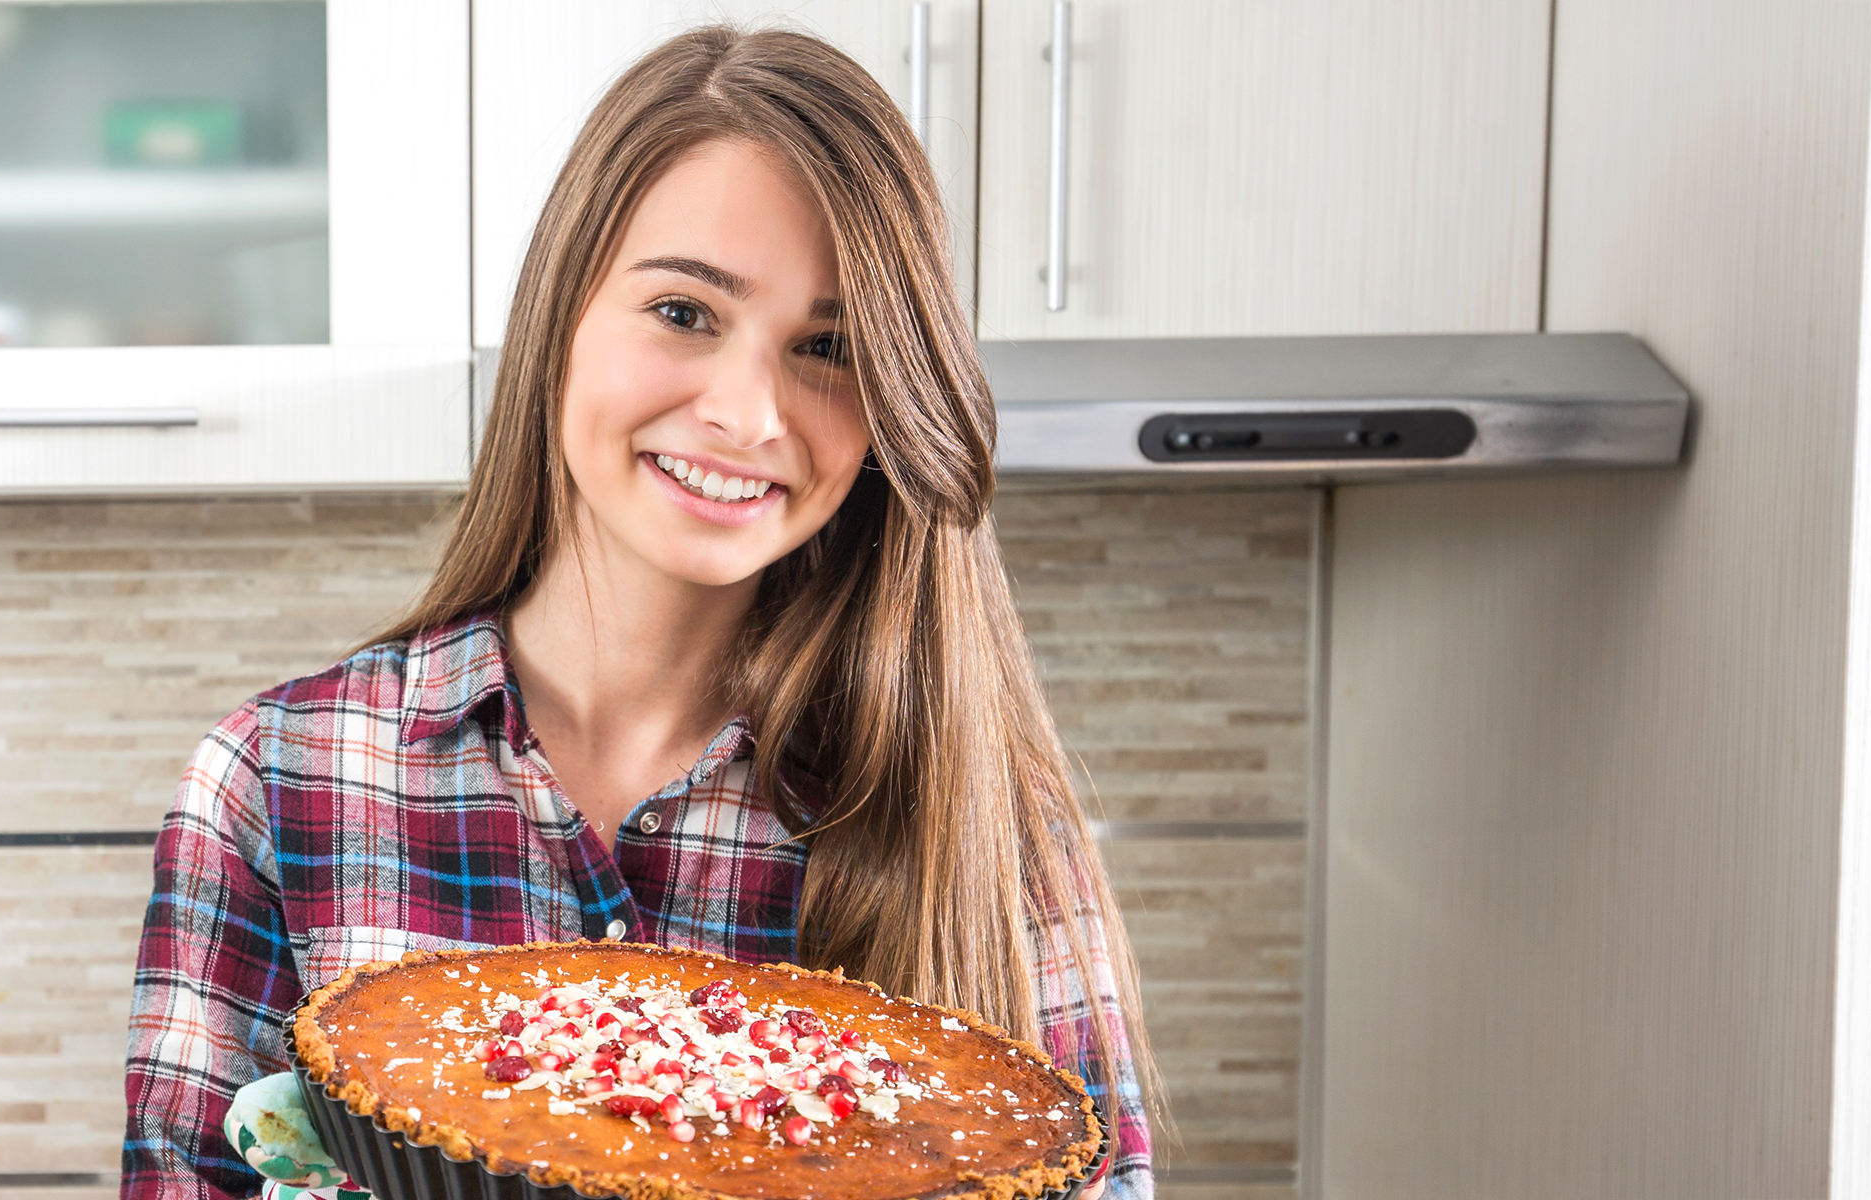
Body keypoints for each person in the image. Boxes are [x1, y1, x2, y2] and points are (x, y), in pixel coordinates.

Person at [123, 24, 1158, 1200]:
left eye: (828, 347)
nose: (749, 412)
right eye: (684, 312)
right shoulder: (279, 785)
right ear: (561, 313)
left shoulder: (986, 822)